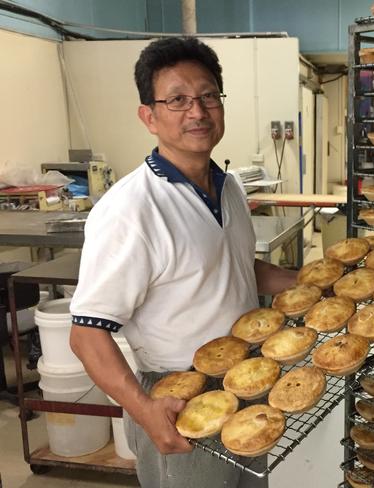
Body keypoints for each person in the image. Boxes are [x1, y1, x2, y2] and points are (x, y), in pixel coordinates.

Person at [69, 37, 297, 488]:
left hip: (247, 375)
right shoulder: (130, 210)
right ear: (148, 117)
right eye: (177, 100)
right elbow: (86, 334)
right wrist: (144, 409)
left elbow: (232, 269)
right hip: (180, 394)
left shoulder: (227, 185)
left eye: (208, 96)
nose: (197, 112)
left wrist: (306, 281)